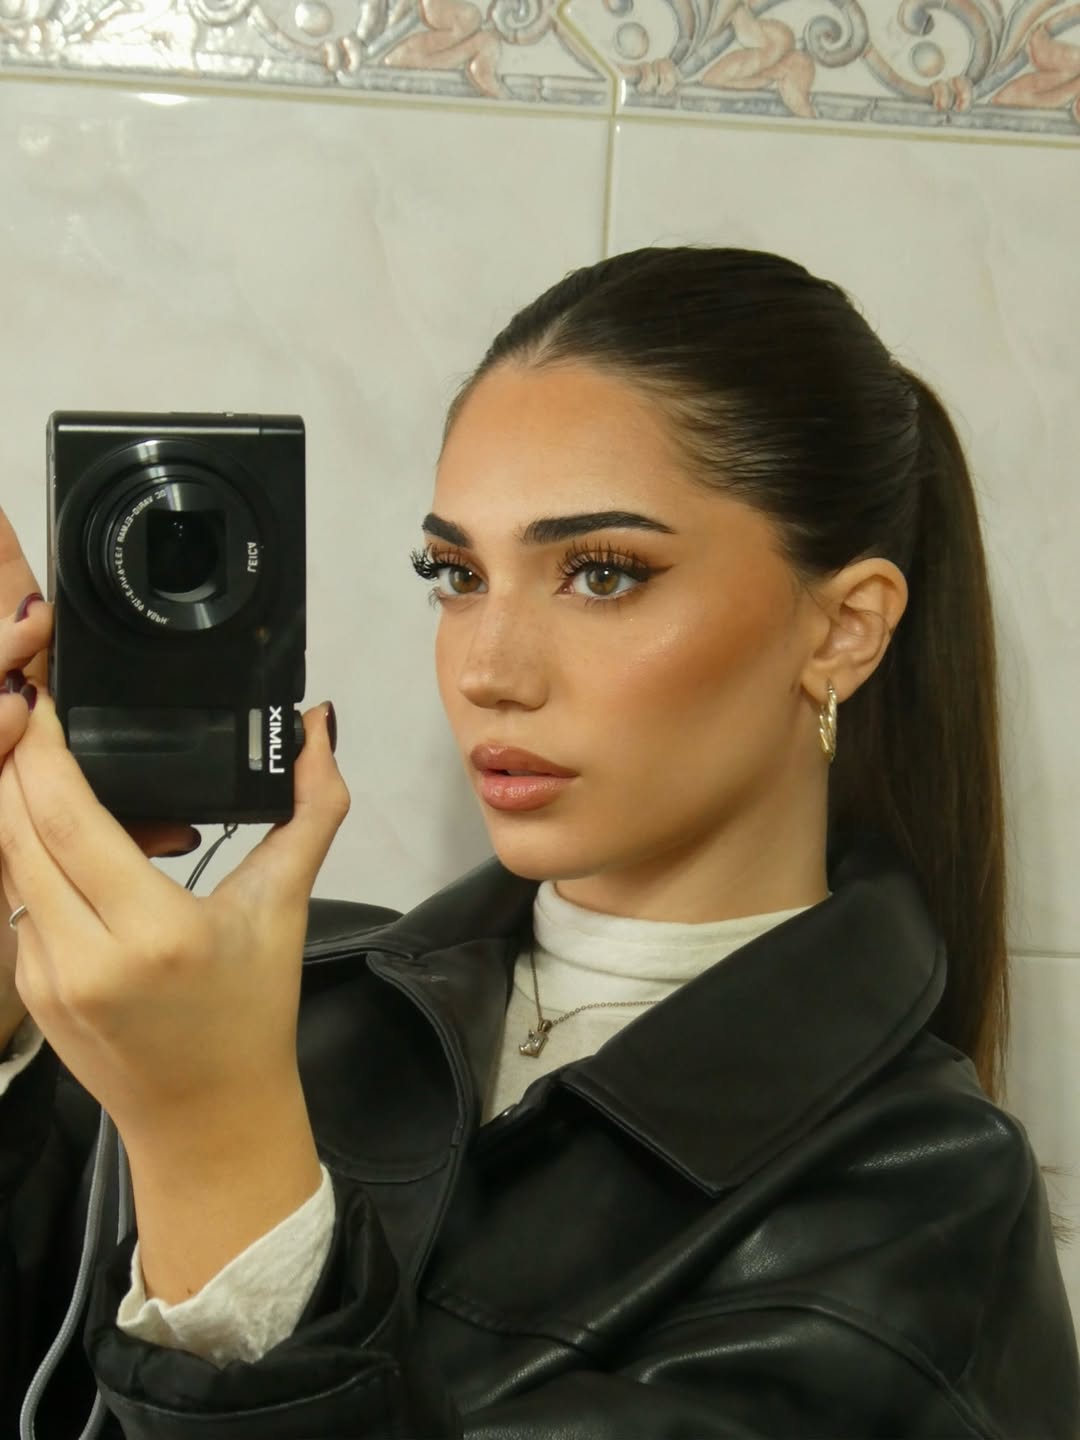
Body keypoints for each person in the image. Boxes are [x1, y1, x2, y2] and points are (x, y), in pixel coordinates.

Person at [0, 244, 1077, 1438]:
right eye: (456, 573)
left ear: (844, 631)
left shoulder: (923, 1206)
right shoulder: (273, 1004)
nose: (488, 669)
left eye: (603, 575)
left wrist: (216, 1150)